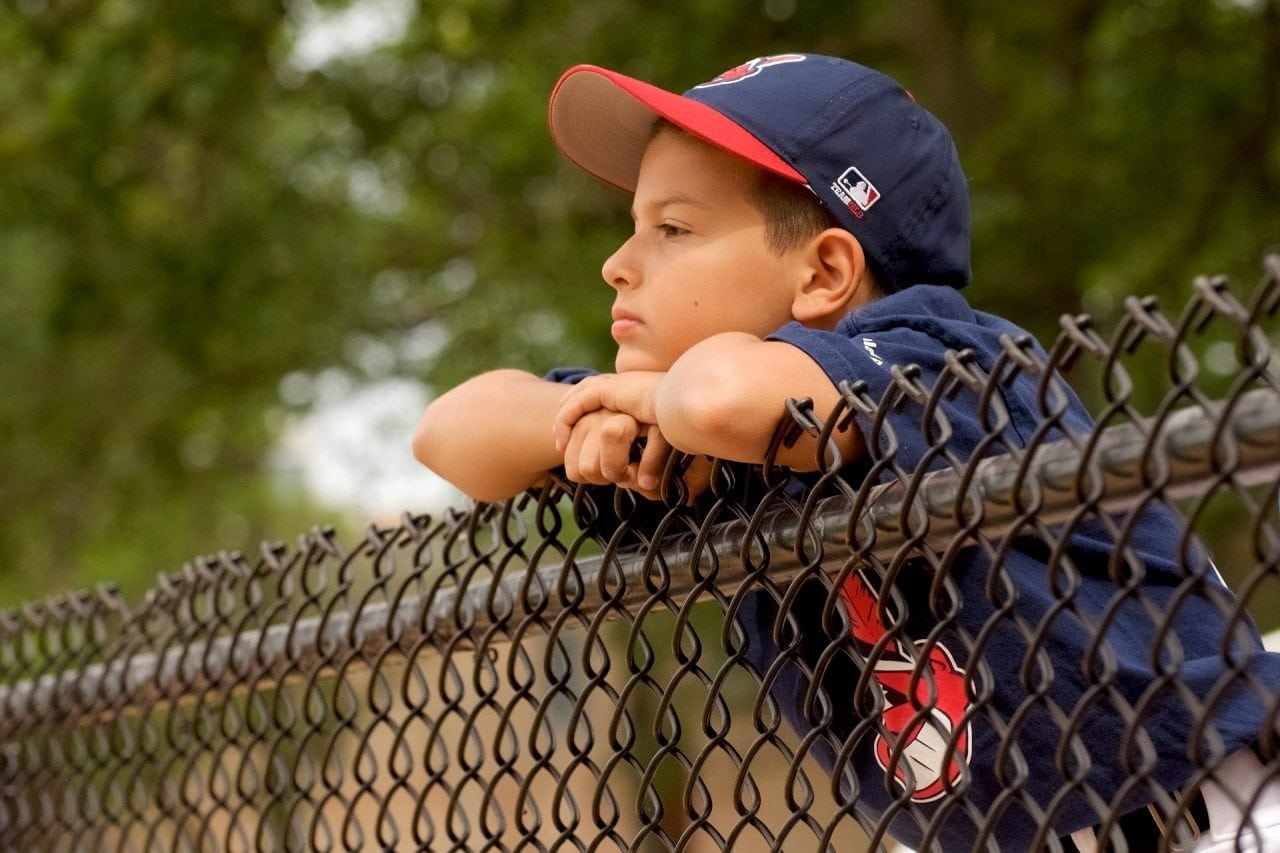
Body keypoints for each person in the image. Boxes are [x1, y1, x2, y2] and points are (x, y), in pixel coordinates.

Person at [413, 53, 1280, 850]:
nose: (617, 263)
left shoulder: (945, 361)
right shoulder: (701, 435)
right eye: (633, 226)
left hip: (1224, 794)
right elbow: (450, 432)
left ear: (825, 275)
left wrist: (659, 407)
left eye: (671, 229)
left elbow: (714, 396)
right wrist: (584, 413)